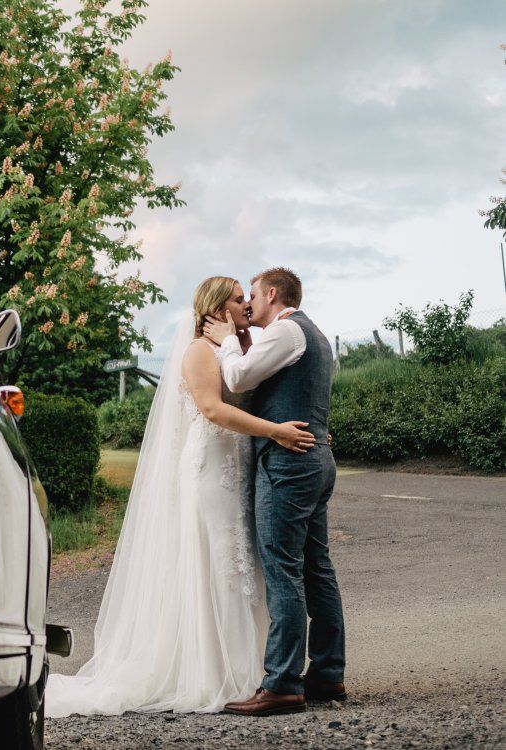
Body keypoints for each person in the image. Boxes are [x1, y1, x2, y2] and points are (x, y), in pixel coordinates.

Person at [45, 276, 317, 717]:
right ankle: (213, 672)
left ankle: (251, 669)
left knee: (240, 565)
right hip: (210, 469)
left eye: (247, 296)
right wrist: (275, 432)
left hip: (237, 469)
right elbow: (212, 409)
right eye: (236, 298)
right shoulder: (197, 352)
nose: (246, 303)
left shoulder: (234, 350)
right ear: (216, 307)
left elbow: (252, 390)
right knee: (218, 562)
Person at [203, 267, 347, 717]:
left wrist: (227, 338)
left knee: (283, 567)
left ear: (271, 294)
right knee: (315, 567)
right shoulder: (314, 334)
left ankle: (283, 683)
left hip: (289, 463)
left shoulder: (286, 330)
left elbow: (240, 378)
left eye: (251, 294)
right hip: (314, 459)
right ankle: (326, 672)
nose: (247, 303)